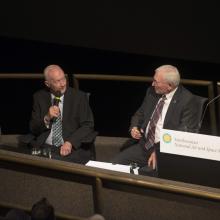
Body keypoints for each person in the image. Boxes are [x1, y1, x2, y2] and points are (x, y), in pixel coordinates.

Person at [111, 65, 198, 175]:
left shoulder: (188, 101)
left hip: (164, 151)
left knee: (144, 176)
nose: (152, 84)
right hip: (144, 146)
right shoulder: (151, 92)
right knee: (113, 166)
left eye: (156, 81)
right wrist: (134, 127)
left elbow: (182, 134)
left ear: (169, 86)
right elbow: (139, 113)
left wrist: (159, 151)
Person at [29, 64, 95, 164]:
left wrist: (70, 142)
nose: (63, 84)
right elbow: (33, 128)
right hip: (46, 145)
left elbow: (88, 125)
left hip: (69, 146)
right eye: (57, 81)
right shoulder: (39, 97)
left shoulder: (79, 97)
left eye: (63, 79)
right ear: (47, 84)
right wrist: (46, 118)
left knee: (74, 159)